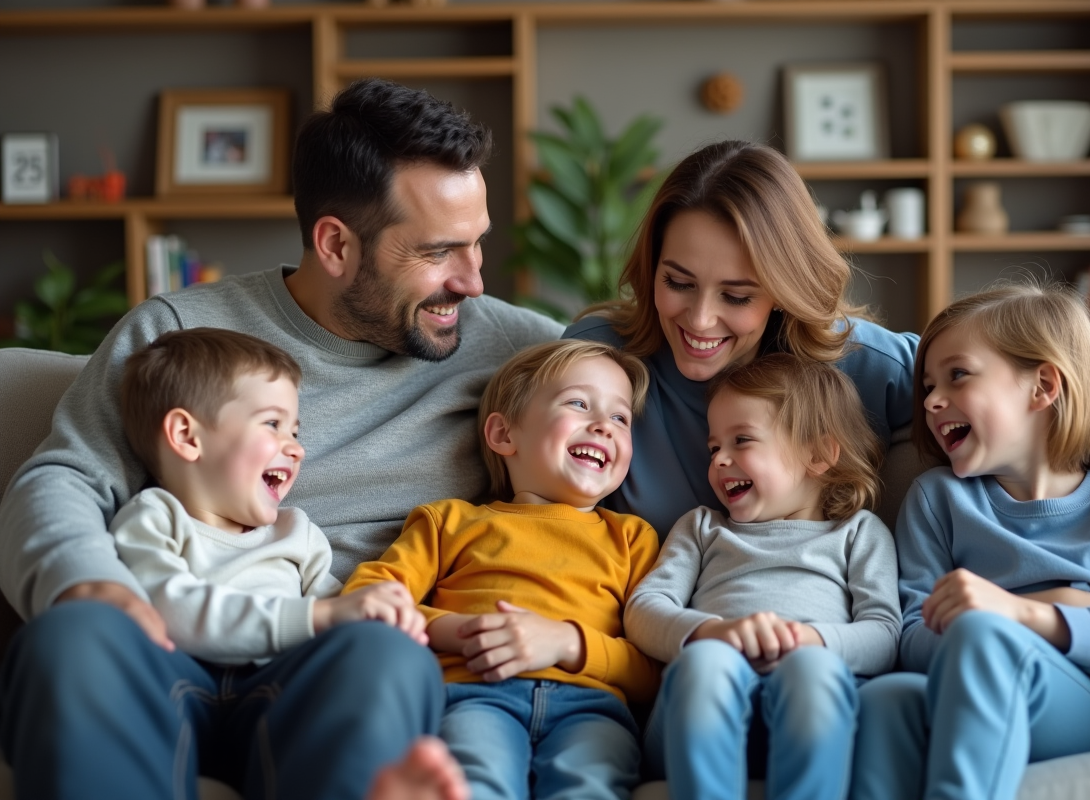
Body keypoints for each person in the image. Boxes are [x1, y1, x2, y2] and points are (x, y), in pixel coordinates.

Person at [0, 78, 563, 800]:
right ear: (335, 244)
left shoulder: (511, 349)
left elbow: (641, 382)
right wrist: (86, 582)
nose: (475, 281)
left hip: (332, 660)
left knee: (388, 658)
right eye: (439, 252)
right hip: (167, 641)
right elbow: (64, 478)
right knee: (70, 638)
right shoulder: (176, 332)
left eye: (478, 244)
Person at [850, 285, 1090, 800]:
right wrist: (1081, 603)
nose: (931, 400)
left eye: (958, 375)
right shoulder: (937, 500)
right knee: (885, 699)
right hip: (969, 682)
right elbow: (911, 641)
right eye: (927, 385)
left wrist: (1030, 614)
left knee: (983, 639)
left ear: (1042, 386)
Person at [342, 339, 662, 800]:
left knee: (589, 787)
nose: (603, 426)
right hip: (474, 697)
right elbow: (370, 596)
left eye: (620, 417)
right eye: (578, 403)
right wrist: (467, 631)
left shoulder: (633, 538)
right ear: (503, 435)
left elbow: (652, 667)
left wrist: (566, 642)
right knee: (477, 781)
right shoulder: (450, 522)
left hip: (591, 710)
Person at [564, 139, 919, 536]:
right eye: (678, 282)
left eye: (737, 296)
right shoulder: (597, 359)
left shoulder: (863, 362)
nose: (700, 320)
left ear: (783, 291)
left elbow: (992, 392)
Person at [625, 353, 901, 800]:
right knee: (706, 662)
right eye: (715, 447)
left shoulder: (858, 532)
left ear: (818, 454)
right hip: (698, 715)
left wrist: (811, 641)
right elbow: (643, 610)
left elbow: (886, 633)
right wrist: (713, 633)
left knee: (812, 669)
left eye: (742, 441)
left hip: (812, 709)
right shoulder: (702, 527)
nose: (719, 460)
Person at [111, 328, 427, 665]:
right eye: (273, 423)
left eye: (294, 431)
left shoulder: (296, 532)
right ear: (187, 436)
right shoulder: (153, 519)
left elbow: (338, 609)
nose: (297, 449)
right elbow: (173, 611)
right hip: (186, 685)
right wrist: (315, 618)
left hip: (284, 689)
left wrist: (383, 615)